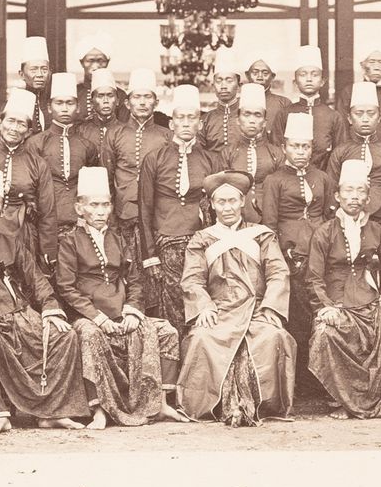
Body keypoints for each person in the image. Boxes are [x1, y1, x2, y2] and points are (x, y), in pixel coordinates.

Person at [0, 169, 88, 436]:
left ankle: (51, 412)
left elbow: (35, 277)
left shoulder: (12, 242)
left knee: (63, 335)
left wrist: (51, 307)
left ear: (2, 208)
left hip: (15, 310)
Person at [56, 167, 190, 427]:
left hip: (122, 312)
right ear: (79, 208)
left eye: (105, 205)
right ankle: (100, 411)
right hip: (89, 316)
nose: (100, 211)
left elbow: (136, 280)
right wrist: (98, 317)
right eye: (93, 205)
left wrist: (132, 310)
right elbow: (67, 287)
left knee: (167, 332)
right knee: (90, 336)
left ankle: (160, 403)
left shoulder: (118, 239)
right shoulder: (70, 242)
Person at [178, 171, 297, 426]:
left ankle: (263, 405)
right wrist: (204, 306)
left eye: (233, 201)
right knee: (201, 338)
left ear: (243, 201)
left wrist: (271, 308)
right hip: (219, 310)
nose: (227, 207)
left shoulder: (262, 235)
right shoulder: (202, 239)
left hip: (256, 308)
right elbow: (192, 279)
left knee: (273, 337)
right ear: (212, 205)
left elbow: (278, 273)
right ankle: (219, 406)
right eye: (221, 202)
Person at [305, 159, 381, 418]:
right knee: (327, 335)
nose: (354, 197)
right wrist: (325, 308)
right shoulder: (324, 233)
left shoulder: (377, 231)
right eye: (348, 191)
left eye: (360, 192)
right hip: (337, 305)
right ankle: (342, 402)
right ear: (337, 195)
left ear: (367, 197)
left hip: (370, 304)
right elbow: (313, 278)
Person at [138, 84, 221, 331]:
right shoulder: (155, 158)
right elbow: (144, 208)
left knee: (201, 303)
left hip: (201, 243)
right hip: (165, 243)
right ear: (171, 123)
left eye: (192, 118)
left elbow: (217, 208)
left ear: (200, 123)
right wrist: (149, 255)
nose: (186, 123)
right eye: (180, 118)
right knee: (171, 311)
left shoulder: (210, 159)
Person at [259, 112, 335, 361]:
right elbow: (269, 224)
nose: (300, 151)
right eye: (294, 146)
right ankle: (301, 375)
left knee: (321, 307)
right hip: (291, 254)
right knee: (298, 311)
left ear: (312, 148)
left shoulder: (322, 178)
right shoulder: (274, 180)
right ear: (284, 147)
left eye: (305, 146)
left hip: (321, 250)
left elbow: (327, 217)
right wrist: (280, 257)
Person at [0, 88, 58, 270]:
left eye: (21, 124)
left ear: (29, 131)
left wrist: (48, 253)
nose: (14, 129)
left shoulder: (38, 164)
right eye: (10, 121)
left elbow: (47, 213)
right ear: (0, 123)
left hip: (22, 236)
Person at [102, 68, 172, 268]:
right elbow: (107, 177)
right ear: (127, 102)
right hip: (124, 215)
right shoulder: (114, 134)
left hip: (158, 216)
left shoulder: (166, 136)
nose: (142, 102)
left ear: (156, 102)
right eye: (137, 97)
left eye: (148, 97)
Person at [26, 71, 101, 245]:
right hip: (45, 221)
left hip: (79, 221)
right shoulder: (36, 143)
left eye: (70, 103)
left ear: (78, 107)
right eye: (59, 103)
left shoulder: (87, 145)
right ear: (50, 107)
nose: (65, 108)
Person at [325, 80, 381, 225]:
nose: (365, 119)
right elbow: (331, 188)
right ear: (349, 118)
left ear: (379, 118)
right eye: (359, 114)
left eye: (371, 114)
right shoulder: (341, 151)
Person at [222, 81, 285, 221]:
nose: (252, 120)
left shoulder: (276, 153)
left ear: (264, 122)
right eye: (247, 114)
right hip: (235, 220)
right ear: (238, 120)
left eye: (257, 115)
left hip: (270, 219)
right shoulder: (228, 153)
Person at [284, 45, 338, 168]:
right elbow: (277, 149)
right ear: (295, 81)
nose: (309, 79)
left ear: (323, 81)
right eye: (303, 74)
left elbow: (339, 153)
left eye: (314, 75)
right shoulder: (284, 113)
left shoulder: (333, 116)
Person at [73, 31, 130, 123]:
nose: (95, 66)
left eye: (101, 60)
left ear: (107, 62)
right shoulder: (74, 93)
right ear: (82, 62)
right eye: (90, 60)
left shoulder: (120, 95)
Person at [337, 42, 381, 118]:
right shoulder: (349, 92)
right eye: (372, 62)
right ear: (363, 65)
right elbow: (342, 124)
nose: (376, 67)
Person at [199, 47, 245, 153]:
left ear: (239, 85)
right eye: (219, 81)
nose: (223, 86)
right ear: (213, 85)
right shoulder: (205, 120)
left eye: (229, 81)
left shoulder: (247, 117)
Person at [244, 51, 292, 143]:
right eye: (255, 72)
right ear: (247, 75)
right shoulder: (238, 103)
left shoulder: (284, 103)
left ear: (272, 76)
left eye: (265, 73)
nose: (260, 76)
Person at [79, 67, 121, 157]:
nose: (106, 100)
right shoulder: (81, 131)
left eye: (110, 95)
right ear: (92, 102)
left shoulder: (125, 131)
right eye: (100, 96)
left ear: (117, 101)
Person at [17, 35, 53, 136]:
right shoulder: (15, 104)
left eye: (44, 70)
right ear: (22, 74)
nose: (40, 75)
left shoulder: (56, 103)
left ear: (50, 73)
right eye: (33, 70)